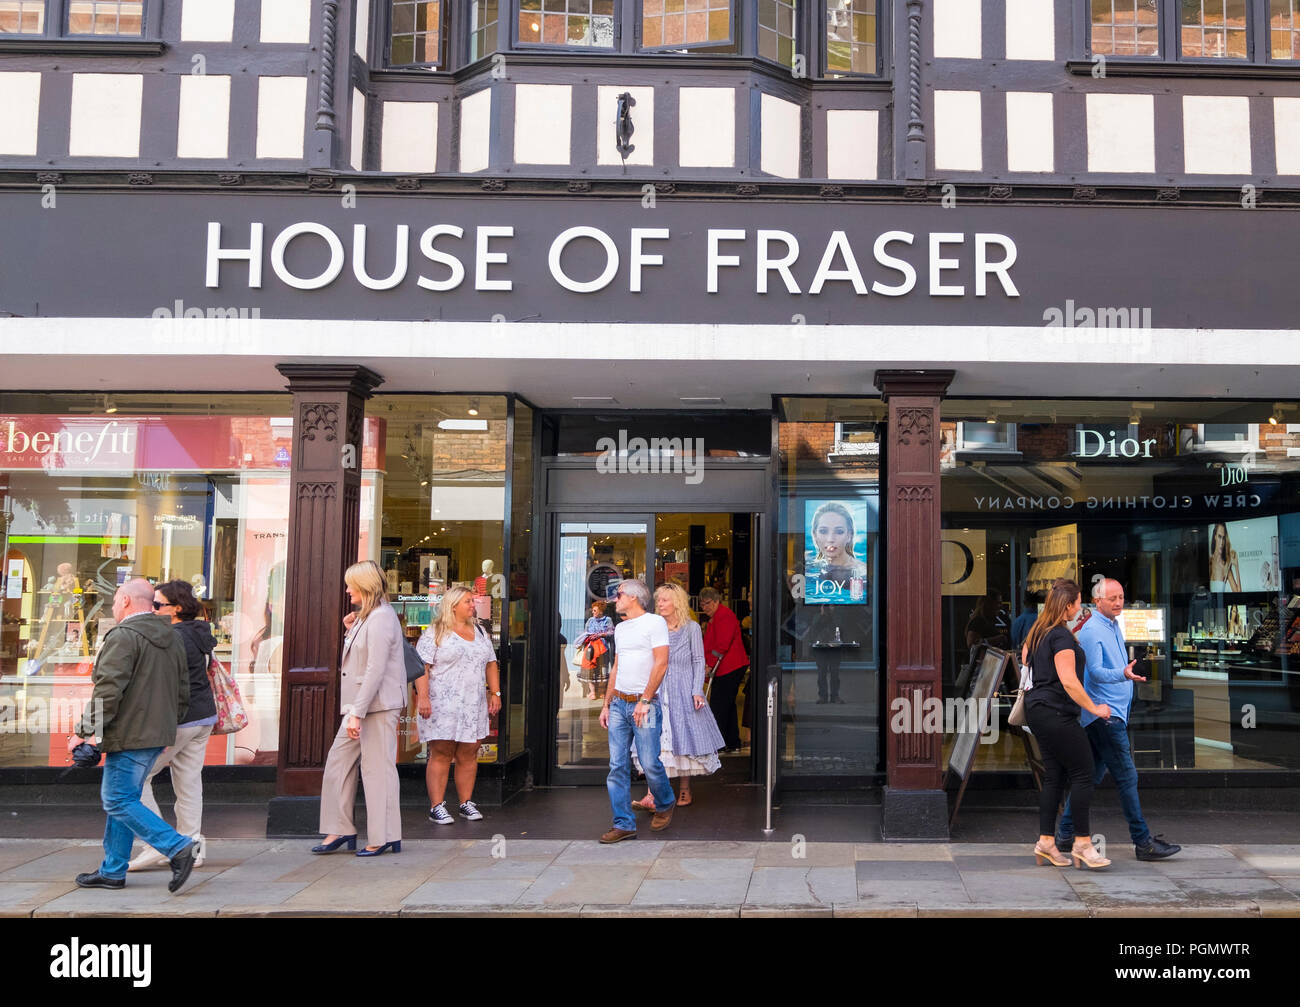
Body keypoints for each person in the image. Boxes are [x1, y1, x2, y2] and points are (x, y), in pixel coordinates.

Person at [68, 577, 198, 893]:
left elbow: (108, 691)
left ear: (126, 600)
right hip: (155, 733)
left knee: (116, 798)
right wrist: (168, 727)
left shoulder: (124, 636)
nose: (113, 607)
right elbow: (182, 691)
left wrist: (83, 732)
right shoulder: (172, 637)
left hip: (130, 734)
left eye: (114, 601)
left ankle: (177, 846)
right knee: (124, 798)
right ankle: (113, 870)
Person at [1057, 579, 1181, 862]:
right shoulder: (1091, 631)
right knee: (1127, 776)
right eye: (1112, 598)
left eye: (1121, 597)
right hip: (1105, 716)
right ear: (1096, 601)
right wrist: (1123, 675)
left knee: (1091, 777)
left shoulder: (1111, 626)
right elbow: (1095, 673)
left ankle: (1064, 834)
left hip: (1110, 714)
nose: (1118, 602)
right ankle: (1143, 842)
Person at [1020, 579, 1113, 870]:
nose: (1080, 607)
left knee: (1055, 776)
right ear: (1069, 605)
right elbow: (1069, 680)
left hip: (1038, 711)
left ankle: (1046, 842)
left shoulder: (1038, 632)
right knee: (1084, 774)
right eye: (1079, 602)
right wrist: (1094, 708)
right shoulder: (1060, 636)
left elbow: (1025, 662)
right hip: (1056, 712)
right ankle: (1083, 844)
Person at [315, 560, 406, 856]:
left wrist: (357, 712)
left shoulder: (381, 618)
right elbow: (361, 660)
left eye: (351, 584)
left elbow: (375, 669)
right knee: (338, 762)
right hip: (362, 706)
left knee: (377, 770)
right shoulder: (368, 617)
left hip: (375, 706)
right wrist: (349, 630)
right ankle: (340, 828)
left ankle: (384, 835)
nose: (346, 590)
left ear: (365, 586)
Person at [127, 579, 218, 872]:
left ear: (176, 608)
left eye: (157, 605)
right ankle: (193, 846)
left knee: (134, 779)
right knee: (189, 784)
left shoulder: (173, 636)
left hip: (179, 719)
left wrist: (163, 725)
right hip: (203, 717)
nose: (152, 610)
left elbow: (168, 685)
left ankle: (157, 842)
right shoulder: (200, 633)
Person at [631, 584, 725, 810]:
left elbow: (698, 660)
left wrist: (696, 690)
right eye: (659, 600)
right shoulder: (654, 627)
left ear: (677, 603)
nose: (660, 604)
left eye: (664, 600)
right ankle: (652, 793)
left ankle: (684, 789)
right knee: (653, 739)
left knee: (685, 738)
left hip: (683, 688)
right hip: (658, 689)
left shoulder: (691, 628)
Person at [414, 584, 501, 824]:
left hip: (473, 703)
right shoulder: (435, 632)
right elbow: (422, 667)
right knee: (441, 752)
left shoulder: (481, 632)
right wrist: (423, 696)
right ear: (453, 606)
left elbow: (491, 663)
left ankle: (465, 803)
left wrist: (496, 692)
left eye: (473, 601)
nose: (473, 605)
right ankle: (436, 806)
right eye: (468, 602)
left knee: (469, 751)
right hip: (442, 703)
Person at [598, 579, 675, 842]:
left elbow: (661, 664)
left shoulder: (655, 623)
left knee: (650, 762)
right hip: (619, 703)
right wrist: (607, 704)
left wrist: (645, 700)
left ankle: (665, 802)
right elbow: (616, 668)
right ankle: (623, 824)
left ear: (633, 597)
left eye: (618, 594)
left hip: (646, 704)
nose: (615, 599)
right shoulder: (620, 628)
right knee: (617, 765)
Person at [700, 587, 749, 750]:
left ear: (716, 601)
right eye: (702, 605)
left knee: (719, 705)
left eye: (707, 604)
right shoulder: (717, 616)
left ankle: (717, 743)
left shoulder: (724, 616)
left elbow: (722, 645)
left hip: (729, 667)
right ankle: (731, 741)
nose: (704, 607)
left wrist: (710, 664)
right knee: (727, 704)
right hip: (726, 667)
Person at [575, 599, 614, 700]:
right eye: (592, 610)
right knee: (590, 669)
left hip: (603, 648)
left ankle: (601, 691)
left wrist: (601, 634)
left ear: (601, 611)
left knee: (603, 670)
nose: (593, 612)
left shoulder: (607, 620)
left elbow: (611, 632)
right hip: (591, 648)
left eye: (595, 610)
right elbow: (585, 632)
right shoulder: (590, 620)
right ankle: (592, 692)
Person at [1210, 521, 1242, 592]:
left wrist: (1236, 566)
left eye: (1223, 538)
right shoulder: (1208, 561)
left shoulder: (1225, 566)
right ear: (1215, 536)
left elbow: (1238, 593)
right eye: (1219, 536)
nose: (1221, 542)